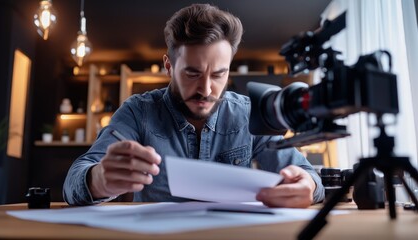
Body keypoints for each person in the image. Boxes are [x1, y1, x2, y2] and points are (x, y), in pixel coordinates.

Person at [63, 3, 324, 207]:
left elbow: (309, 177)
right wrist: (99, 179)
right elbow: (74, 180)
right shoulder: (138, 111)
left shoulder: (251, 114)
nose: (206, 89)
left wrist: (307, 186)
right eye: (192, 73)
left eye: (219, 74)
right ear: (169, 66)